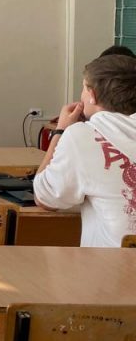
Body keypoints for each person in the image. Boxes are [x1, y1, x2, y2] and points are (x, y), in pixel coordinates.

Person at [34, 54, 136, 247]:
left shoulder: (82, 135)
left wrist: (60, 131)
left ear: (92, 95)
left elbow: (44, 198)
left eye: (83, 88)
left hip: (112, 262)